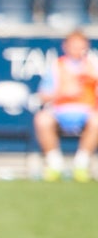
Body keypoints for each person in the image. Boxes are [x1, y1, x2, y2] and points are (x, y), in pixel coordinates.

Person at [34, 31, 98, 183]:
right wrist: (62, 92)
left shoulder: (93, 66)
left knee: (97, 121)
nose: (77, 50)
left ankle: (81, 165)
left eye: (81, 47)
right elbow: (43, 95)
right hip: (60, 110)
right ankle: (55, 165)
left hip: (87, 110)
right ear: (65, 47)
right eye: (74, 46)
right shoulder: (57, 66)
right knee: (42, 119)